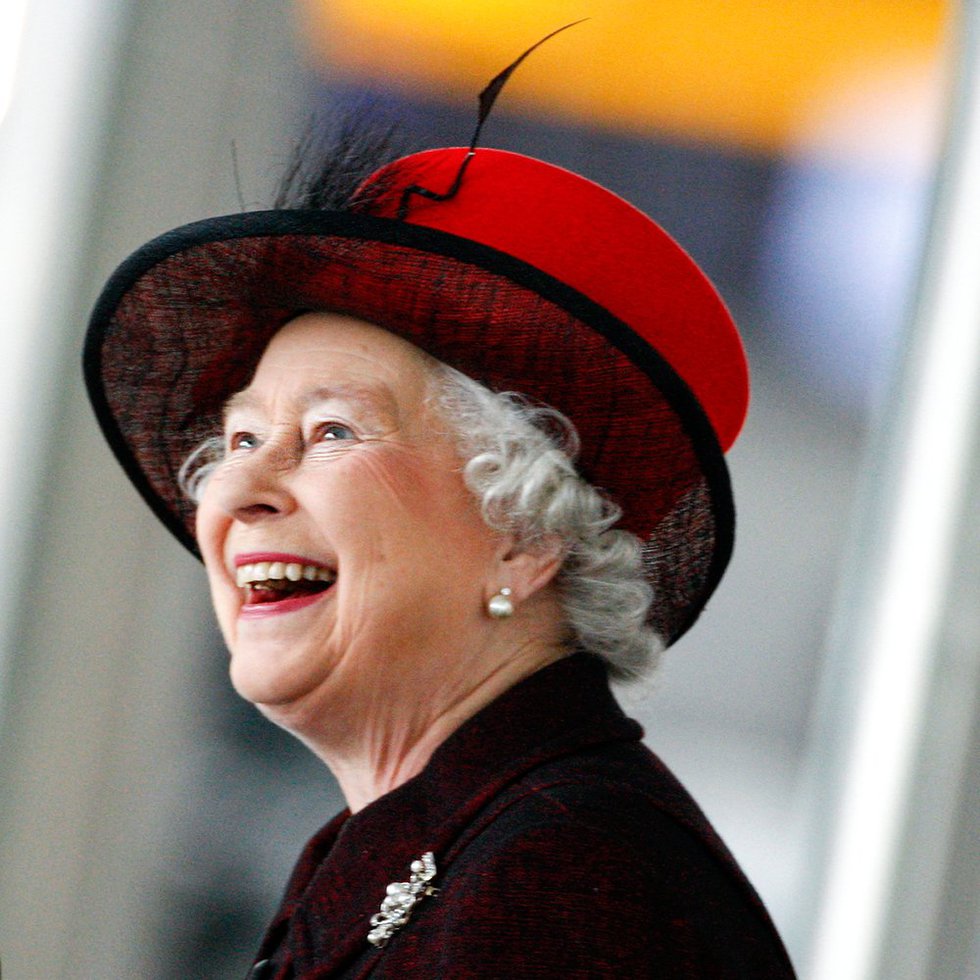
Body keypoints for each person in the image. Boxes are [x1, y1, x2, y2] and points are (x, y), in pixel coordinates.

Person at [84, 129, 797, 975]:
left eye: (331, 431)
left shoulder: (554, 879)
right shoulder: (436, 844)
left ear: (525, 536)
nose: (236, 491)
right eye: (239, 439)